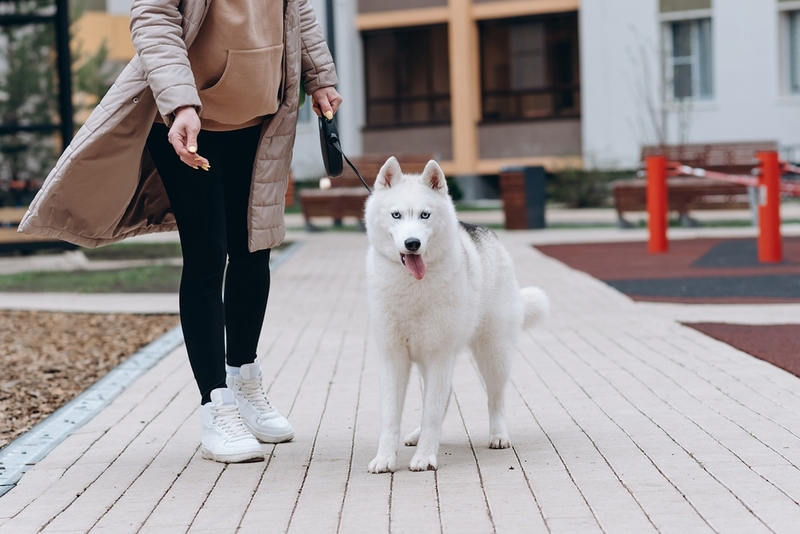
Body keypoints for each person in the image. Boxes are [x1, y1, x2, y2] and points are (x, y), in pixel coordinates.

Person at [19, 0, 341, 463]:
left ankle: (245, 380)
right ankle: (217, 406)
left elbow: (299, 11)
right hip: (185, 120)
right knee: (208, 255)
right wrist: (181, 102)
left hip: (261, 119)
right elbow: (152, 17)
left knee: (256, 250)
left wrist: (321, 76)